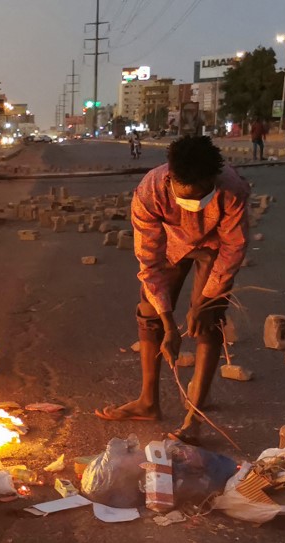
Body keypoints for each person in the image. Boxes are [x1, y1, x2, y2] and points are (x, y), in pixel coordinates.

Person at [96, 136, 250, 445]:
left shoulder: (233, 189)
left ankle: (194, 416)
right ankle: (148, 402)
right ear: (171, 179)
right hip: (170, 246)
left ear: (212, 180)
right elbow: (149, 260)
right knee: (149, 313)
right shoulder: (149, 191)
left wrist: (205, 301)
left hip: (213, 249)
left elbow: (233, 248)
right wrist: (168, 324)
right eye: (186, 197)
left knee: (207, 321)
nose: (193, 205)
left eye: (201, 196)